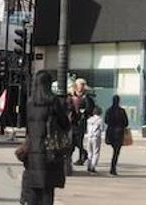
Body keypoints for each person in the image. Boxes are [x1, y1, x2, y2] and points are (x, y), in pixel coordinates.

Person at [21, 70, 70, 205]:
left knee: (34, 190)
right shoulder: (53, 101)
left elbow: (28, 129)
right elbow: (65, 124)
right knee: (47, 190)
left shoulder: (30, 102)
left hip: (33, 151)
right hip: (50, 151)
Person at [68, 78, 95, 166]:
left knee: (79, 140)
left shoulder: (87, 98)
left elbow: (90, 109)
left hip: (81, 122)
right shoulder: (71, 96)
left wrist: (85, 114)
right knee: (71, 141)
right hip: (72, 122)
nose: (82, 87)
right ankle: (82, 154)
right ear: (76, 86)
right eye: (81, 85)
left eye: (83, 85)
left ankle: (81, 157)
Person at [104, 94, 129, 175]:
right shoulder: (122, 111)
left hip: (111, 132)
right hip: (119, 132)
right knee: (116, 152)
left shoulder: (109, 110)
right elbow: (126, 123)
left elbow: (106, 121)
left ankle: (112, 167)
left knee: (114, 149)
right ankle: (113, 167)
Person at [85, 106, 103, 173]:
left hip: (89, 136)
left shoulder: (89, 119)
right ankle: (93, 167)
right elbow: (101, 128)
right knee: (96, 152)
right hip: (96, 137)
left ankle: (88, 166)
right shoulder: (100, 120)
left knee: (89, 152)